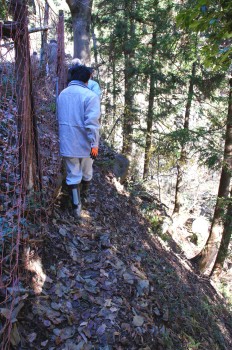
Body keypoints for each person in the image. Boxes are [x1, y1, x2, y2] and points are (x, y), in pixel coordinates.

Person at [57, 65, 101, 218]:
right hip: (87, 145)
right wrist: (94, 145)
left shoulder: (62, 94)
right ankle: (84, 197)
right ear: (88, 78)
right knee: (87, 172)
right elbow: (92, 124)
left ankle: (76, 207)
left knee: (72, 173)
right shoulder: (90, 96)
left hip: (67, 142)